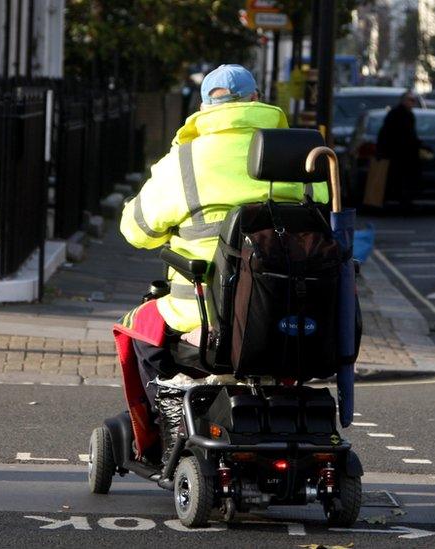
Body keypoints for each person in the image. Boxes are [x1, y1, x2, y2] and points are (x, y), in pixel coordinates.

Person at [112, 65, 329, 459]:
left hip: (205, 316)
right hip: (289, 313)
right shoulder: (299, 155)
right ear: (256, 99)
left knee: (139, 331)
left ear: (204, 106)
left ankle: (168, 424)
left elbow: (136, 230)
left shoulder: (184, 160)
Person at [375, 92, 421, 210]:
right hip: (396, 153)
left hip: (406, 154)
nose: (412, 103)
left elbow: (412, 135)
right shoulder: (395, 114)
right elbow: (385, 133)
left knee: (403, 179)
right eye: (410, 100)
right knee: (394, 179)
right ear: (403, 100)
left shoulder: (409, 115)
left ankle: (404, 201)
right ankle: (395, 201)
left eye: (413, 100)